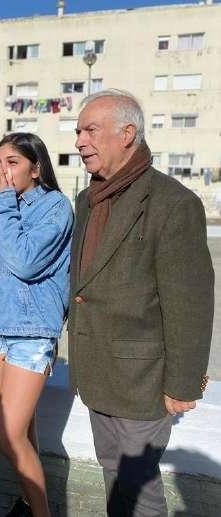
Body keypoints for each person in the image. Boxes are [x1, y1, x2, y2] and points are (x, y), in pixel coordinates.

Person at [69, 89, 214, 516]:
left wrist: (183, 384)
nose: (79, 141)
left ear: (127, 133)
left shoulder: (173, 203)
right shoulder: (88, 199)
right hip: (97, 373)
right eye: (78, 132)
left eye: (90, 130)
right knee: (112, 474)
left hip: (142, 382)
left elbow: (190, 302)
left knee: (139, 491)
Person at [0, 133, 73, 517]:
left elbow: (25, 261)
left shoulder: (55, 207)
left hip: (31, 335)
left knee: (6, 436)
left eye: (12, 162)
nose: (2, 171)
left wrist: (1, 203)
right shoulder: (1, 206)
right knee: (22, 432)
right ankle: (27, 502)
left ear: (36, 168)